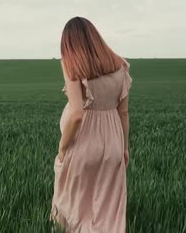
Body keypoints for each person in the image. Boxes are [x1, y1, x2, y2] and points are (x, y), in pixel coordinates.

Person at [49, 16, 132, 233]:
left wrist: (62, 147)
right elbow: (123, 112)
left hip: (83, 142)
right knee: (107, 208)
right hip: (112, 142)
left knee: (73, 204)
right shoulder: (119, 65)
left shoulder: (72, 66)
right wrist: (124, 147)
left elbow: (77, 114)